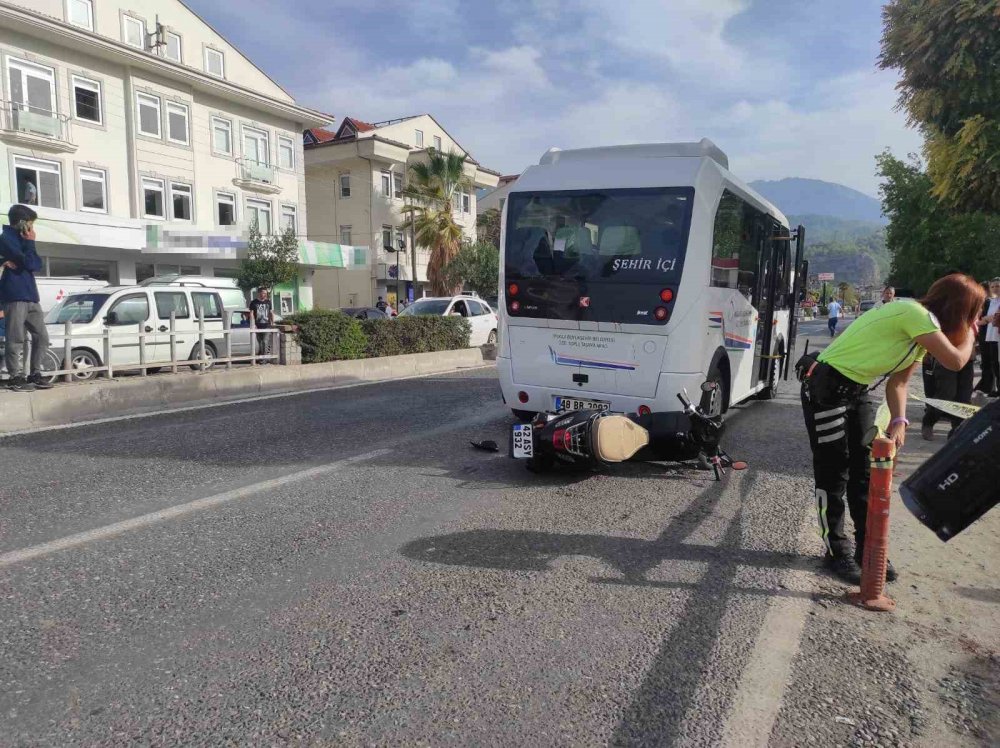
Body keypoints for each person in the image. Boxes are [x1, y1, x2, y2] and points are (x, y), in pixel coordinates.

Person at [799, 273, 984, 584]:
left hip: (855, 391)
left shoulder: (920, 332)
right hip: (826, 389)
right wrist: (971, 333)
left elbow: (898, 383)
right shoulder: (914, 314)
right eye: (974, 312)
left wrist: (899, 421)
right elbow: (955, 361)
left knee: (866, 472)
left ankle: (867, 549)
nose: (976, 319)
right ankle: (837, 551)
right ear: (960, 310)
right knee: (834, 473)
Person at [0, 204, 53, 392]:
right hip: (14, 294)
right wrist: (29, 243)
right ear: (22, 222)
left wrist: (28, 245)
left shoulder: (24, 240)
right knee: (16, 337)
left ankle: (35, 373)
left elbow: (35, 264)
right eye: (30, 223)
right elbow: (30, 261)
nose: (32, 228)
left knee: (42, 336)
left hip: (31, 294)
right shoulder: (5, 238)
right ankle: (15, 377)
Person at [974, 278, 1000, 397]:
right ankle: (993, 388)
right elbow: (985, 319)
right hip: (990, 336)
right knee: (994, 363)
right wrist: (988, 318)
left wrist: (989, 318)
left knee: (997, 363)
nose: (995, 288)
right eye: (993, 286)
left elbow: (993, 319)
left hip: (997, 335)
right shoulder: (991, 302)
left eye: (998, 286)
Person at [248, 288, 274, 362]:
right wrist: (253, 324)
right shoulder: (254, 302)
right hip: (258, 326)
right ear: (259, 293)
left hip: (266, 325)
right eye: (263, 293)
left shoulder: (268, 302)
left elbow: (271, 312)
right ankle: (261, 356)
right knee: (260, 342)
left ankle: (264, 359)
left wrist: (272, 323)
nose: (265, 295)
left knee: (265, 342)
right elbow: (251, 314)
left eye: (266, 293)